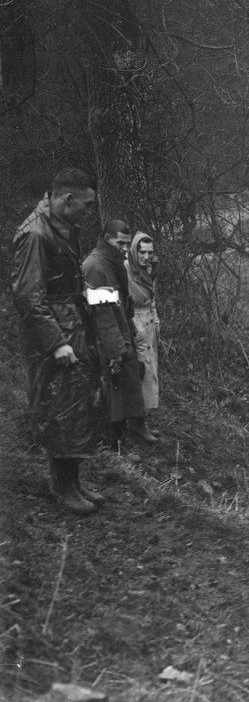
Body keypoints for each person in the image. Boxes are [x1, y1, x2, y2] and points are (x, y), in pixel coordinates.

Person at [11, 168, 104, 514]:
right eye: (87, 204)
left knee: (77, 403)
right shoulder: (35, 234)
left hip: (72, 325)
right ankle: (61, 486)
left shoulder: (59, 228)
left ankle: (73, 481)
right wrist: (56, 342)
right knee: (59, 407)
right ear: (67, 199)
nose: (90, 211)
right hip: (54, 334)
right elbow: (28, 296)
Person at [83, 219, 159, 447]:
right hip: (107, 335)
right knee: (113, 385)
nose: (125, 249)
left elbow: (121, 300)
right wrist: (115, 347)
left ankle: (135, 425)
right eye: (120, 243)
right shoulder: (95, 266)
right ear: (106, 239)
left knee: (131, 377)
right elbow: (101, 313)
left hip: (121, 326)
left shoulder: (112, 261)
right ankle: (112, 438)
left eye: (128, 244)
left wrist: (131, 328)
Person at [126, 232, 161, 423]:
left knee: (149, 369)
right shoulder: (125, 268)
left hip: (148, 321)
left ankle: (142, 417)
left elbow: (152, 299)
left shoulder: (150, 268)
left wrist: (156, 321)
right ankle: (135, 420)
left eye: (149, 252)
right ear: (134, 250)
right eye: (141, 252)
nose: (146, 257)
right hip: (134, 320)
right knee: (138, 369)